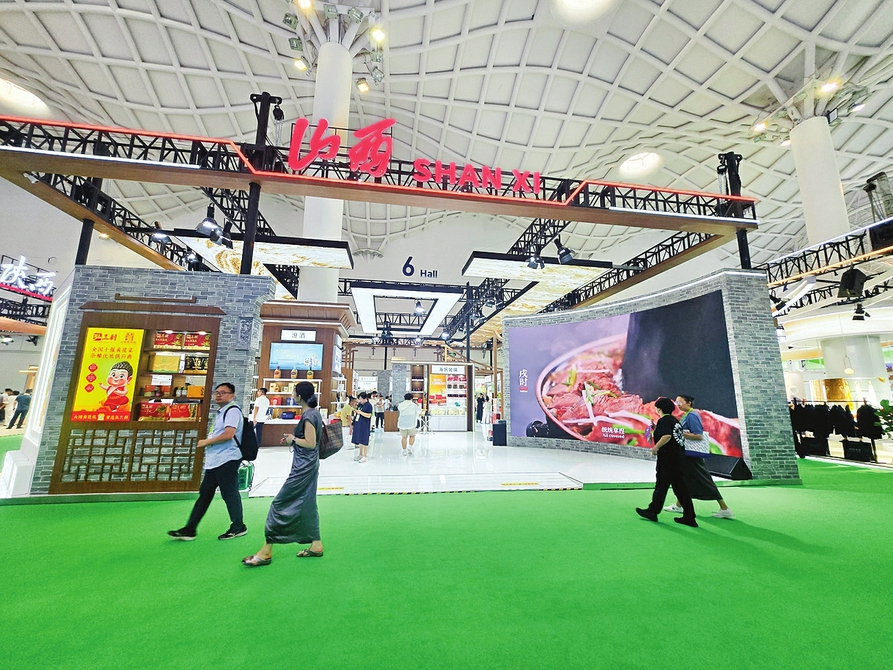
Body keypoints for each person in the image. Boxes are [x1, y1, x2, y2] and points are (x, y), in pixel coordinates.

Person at [242, 381, 324, 567]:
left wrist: (293, 439)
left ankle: (266, 550)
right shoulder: (314, 413)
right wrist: (293, 439)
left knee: (279, 503)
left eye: (294, 392)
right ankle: (316, 544)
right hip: (309, 465)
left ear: (299, 396)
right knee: (308, 503)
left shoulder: (308, 416)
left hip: (302, 468)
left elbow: (310, 443)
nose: (293, 395)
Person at [168, 383, 247, 541]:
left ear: (232, 395)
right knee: (205, 494)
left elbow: (229, 434)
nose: (218, 395)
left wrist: (207, 442)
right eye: (217, 392)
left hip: (227, 459)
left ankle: (238, 526)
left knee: (229, 493)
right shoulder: (222, 412)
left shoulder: (232, 411)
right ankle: (190, 528)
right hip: (216, 460)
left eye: (223, 392)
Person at [664, 395, 734, 519]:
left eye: (680, 402)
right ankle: (679, 505)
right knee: (685, 480)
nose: (677, 405)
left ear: (688, 403)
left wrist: (679, 433)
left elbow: (698, 435)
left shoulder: (692, 416)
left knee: (704, 480)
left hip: (692, 456)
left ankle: (724, 508)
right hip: (687, 455)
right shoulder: (687, 415)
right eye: (676, 402)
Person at [636, 396, 697, 527]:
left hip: (668, 460)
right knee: (681, 489)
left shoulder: (664, 420)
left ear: (659, 409)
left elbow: (667, 436)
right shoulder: (675, 421)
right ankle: (689, 516)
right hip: (679, 459)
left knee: (661, 486)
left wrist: (656, 447)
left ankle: (653, 511)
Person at [352, 391, 373, 463]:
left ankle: (365, 456)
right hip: (358, 424)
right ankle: (360, 454)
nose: (360, 400)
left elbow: (368, 415)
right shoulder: (360, 405)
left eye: (361, 399)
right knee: (360, 440)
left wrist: (360, 412)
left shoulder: (369, 406)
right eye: (359, 399)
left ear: (365, 398)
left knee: (364, 440)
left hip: (365, 425)